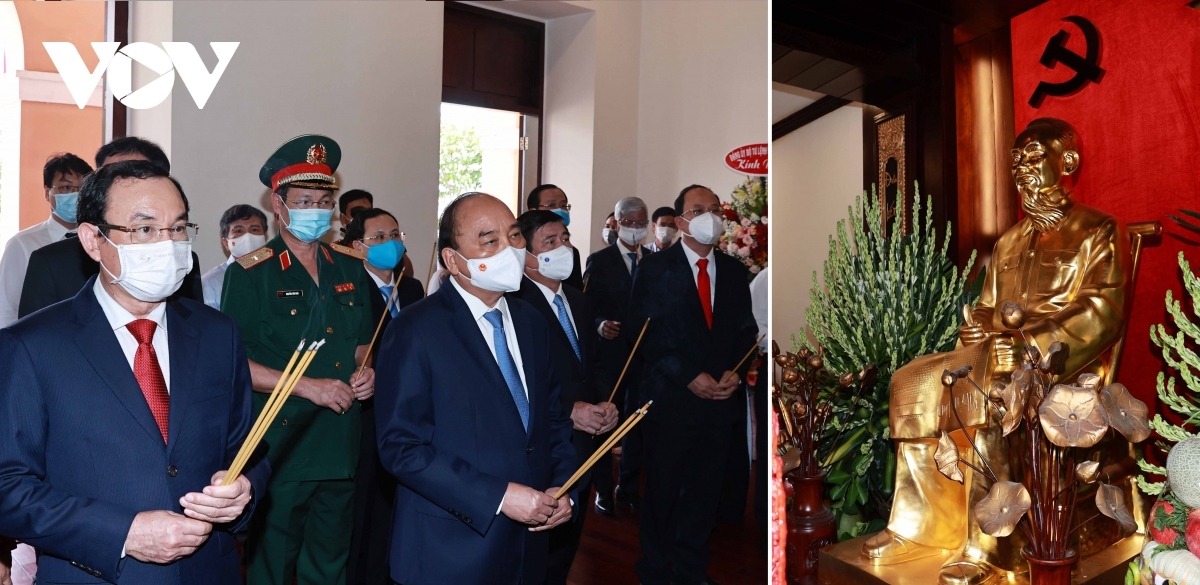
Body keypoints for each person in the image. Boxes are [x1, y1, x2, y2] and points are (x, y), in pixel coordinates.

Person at [866, 118, 1131, 584]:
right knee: (910, 383)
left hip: (1061, 367)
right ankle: (919, 528)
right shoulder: (1008, 241)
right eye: (1016, 163)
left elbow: (1101, 314)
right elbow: (986, 308)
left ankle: (986, 545)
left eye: (1034, 158)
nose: (1023, 170)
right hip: (996, 357)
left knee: (991, 393)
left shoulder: (1099, 230)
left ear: (1066, 162)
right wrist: (975, 330)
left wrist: (1029, 345)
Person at [0, 160, 269, 584]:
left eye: (178, 228)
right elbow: (8, 487)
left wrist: (243, 491)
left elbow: (248, 448)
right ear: (93, 239)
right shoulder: (31, 346)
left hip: (208, 570)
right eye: (144, 229)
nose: (167, 244)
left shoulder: (218, 334)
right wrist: (123, 533)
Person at [374, 192, 576, 585]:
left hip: (529, 544)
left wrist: (564, 484)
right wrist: (499, 496)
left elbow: (554, 419)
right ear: (452, 260)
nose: (509, 249)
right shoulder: (416, 329)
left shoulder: (532, 322)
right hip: (449, 547)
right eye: (490, 241)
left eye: (515, 237)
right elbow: (402, 448)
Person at [221, 135, 376, 585]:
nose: (316, 210)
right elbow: (236, 365)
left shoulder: (348, 265)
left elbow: (362, 341)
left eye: (324, 201)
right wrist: (309, 386)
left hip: (341, 438)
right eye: (304, 200)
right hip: (282, 442)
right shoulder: (251, 271)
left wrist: (367, 369)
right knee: (273, 562)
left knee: (330, 563)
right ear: (278, 203)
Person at [628, 184, 757, 585]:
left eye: (715, 209)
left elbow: (746, 331)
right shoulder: (654, 269)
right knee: (663, 493)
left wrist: (737, 369)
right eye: (698, 209)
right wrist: (687, 376)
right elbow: (644, 335)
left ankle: (691, 570)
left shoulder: (736, 272)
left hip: (719, 403)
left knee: (704, 496)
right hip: (670, 402)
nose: (709, 216)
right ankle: (654, 569)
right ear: (681, 219)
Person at [511, 210, 618, 584]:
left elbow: (594, 365)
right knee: (537, 549)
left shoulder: (578, 299)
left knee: (569, 542)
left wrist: (607, 402)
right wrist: (568, 411)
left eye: (566, 238)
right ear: (525, 254)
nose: (564, 248)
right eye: (550, 242)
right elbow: (519, 382)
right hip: (545, 444)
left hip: (584, 445)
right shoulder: (514, 305)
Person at [18, 137, 203, 318]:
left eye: (137, 174)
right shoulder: (51, 261)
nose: (166, 243)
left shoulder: (180, 257)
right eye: (110, 176)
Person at [340, 208, 424, 585]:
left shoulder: (412, 287)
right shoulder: (348, 288)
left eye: (395, 233)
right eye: (379, 237)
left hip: (411, 408)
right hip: (369, 410)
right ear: (358, 247)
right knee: (368, 504)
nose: (391, 243)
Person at [583, 197, 651, 516]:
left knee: (636, 426)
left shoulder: (654, 261)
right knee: (605, 425)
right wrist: (599, 326)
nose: (637, 229)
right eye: (631, 222)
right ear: (618, 223)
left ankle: (627, 487)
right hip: (608, 359)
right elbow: (587, 309)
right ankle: (603, 491)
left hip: (644, 359)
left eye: (642, 223)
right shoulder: (600, 260)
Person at [0, 153, 92, 327]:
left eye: (83, 189)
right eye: (65, 188)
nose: (75, 195)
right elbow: (5, 309)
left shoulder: (99, 239)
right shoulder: (23, 244)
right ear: (47, 192)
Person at [201, 205, 268, 309]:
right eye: (238, 231)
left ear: (265, 237)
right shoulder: (210, 283)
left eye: (254, 229)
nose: (248, 236)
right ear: (226, 243)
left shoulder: (279, 274)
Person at [338, 189, 414, 278]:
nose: (363, 216)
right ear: (343, 218)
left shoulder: (383, 244)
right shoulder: (337, 251)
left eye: (368, 211)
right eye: (356, 212)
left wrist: (396, 247)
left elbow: (407, 275)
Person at [526, 184, 584, 290]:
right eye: (551, 205)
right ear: (533, 211)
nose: (560, 210)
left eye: (563, 205)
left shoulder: (571, 251)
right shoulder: (520, 248)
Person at [748, 266, 769, 550]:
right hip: (771, 366)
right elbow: (755, 323)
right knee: (768, 450)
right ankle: (766, 524)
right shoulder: (765, 277)